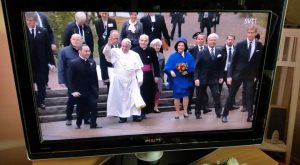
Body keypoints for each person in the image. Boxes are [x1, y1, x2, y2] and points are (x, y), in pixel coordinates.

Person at [222, 25, 263, 123]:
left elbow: (259, 63)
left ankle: (250, 116)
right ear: (247, 33)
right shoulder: (240, 44)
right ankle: (224, 115)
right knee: (231, 95)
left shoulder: (259, 45)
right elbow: (233, 62)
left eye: (252, 33)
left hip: (250, 75)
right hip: (238, 74)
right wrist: (229, 76)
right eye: (249, 32)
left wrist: (256, 76)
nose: (250, 34)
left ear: (255, 33)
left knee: (249, 95)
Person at [103, 38, 145, 123]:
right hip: (119, 80)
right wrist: (108, 44)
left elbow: (139, 69)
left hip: (131, 79)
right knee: (121, 99)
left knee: (134, 98)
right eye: (123, 46)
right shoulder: (115, 51)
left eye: (126, 46)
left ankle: (136, 115)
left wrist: (140, 79)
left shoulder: (135, 55)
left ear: (130, 46)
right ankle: (122, 116)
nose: (124, 48)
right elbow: (106, 53)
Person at [25, 12, 56, 110]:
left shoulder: (43, 31)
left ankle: (40, 102)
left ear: (35, 21)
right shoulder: (23, 31)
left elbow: (48, 48)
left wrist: (52, 63)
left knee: (41, 84)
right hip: (29, 64)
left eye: (30, 21)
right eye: (27, 20)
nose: (28, 22)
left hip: (41, 64)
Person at [57, 34, 89, 126]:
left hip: (83, 80)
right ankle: (68, 117)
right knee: (72, 99)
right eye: (73, 39)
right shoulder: (64, 51)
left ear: (81, 41)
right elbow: (61, 66)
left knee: (85, 99)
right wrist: (61, 80)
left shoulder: (84, 50)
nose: (75, 41)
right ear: (70, 40)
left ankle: (85, 118)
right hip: (71, 81)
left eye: (77, 39)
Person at [67, 44, 100, 129]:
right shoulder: (73, 63)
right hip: (80, 91)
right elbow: (70, 79)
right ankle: (78, 123)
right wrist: (73, 91)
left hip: (91, 91)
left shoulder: (92, 62)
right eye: (86, 51)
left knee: (94, 107)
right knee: (81, 109)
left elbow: (95, 77)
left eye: (89, 51)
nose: (88, 53)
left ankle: (93, 124)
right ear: (80, 51)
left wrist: (97, 89)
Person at [194, 33, 224, 119]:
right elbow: (197, 67)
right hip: (202, 78)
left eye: (214, 40)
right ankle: (197, 112)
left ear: (216, 41)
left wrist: (221, 76)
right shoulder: (201, 52)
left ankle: (218, 112)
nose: (213, 41)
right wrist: (196, 78)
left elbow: (221, 66)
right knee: (199, 96)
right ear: (208, 41)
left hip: (214, 78)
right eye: (211, 40)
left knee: (216, 95)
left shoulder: (219, 52)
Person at [164, 37, 195, 119]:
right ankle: (177, 112)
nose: (180, 47)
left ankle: (185, 111)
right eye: (179, 45)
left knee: (185, 95)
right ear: (176, 46)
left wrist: (187, 72)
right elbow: (167, 67)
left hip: (185, 78)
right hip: (176, 79)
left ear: (185, 47)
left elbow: (193, 66)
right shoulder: (172, 56)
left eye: (182, 45)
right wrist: (171, 71)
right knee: (177, 96)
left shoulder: (189, 56)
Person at [133, 34, 160, 120]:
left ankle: (144, 111)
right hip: (138, 75)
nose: (143, 42)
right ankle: (139, 112)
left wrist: (157, 75)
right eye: (142, 40)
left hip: (148, 75)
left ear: (148, 42)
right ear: (139, 41)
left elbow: (155, 63)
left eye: (145, 41)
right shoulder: (134, 50)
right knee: (139, 93)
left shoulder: (151, 50)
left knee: (148, 93)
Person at [188, 32, 211, 114]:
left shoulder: (207, 49)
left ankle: (205, 107)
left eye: (202, 39)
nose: (200, 40)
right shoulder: (191, 50)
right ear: (196, 40)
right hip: (192, 74)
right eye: (199, 39)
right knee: (190, 91)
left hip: (203, 74)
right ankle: (188, 107)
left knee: (203, 92)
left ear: (205, 40)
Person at [219, 34, 239, 110]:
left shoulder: (236, 49)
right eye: (229, 39)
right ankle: (218, 106)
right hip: (222, 72)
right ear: (226, 40)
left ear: (234, 41)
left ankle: (231, 105)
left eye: (232, 40)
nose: (230, 41)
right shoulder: (221, 49)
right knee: (218, 90)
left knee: (232, 89)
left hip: (231, 73)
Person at [150, 39, 164, 113]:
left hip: (159, 76)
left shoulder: (162, 55)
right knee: (150, 91)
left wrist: (162, 78)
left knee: (158, 92)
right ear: (152, 46)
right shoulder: (149, 53)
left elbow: (162, 67)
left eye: (158, 45)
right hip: (150, 75)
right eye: (155, 45)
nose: (157, 47)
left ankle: (156, 107)